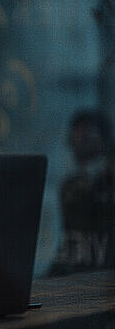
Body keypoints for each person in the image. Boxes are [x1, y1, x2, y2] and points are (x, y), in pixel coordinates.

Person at [50, 109, 115, 275]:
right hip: (78, 264)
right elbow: (70, 236)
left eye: (86, 136)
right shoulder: (70, 184)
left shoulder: (107, 179)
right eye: (75, 136)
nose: (79, 141)